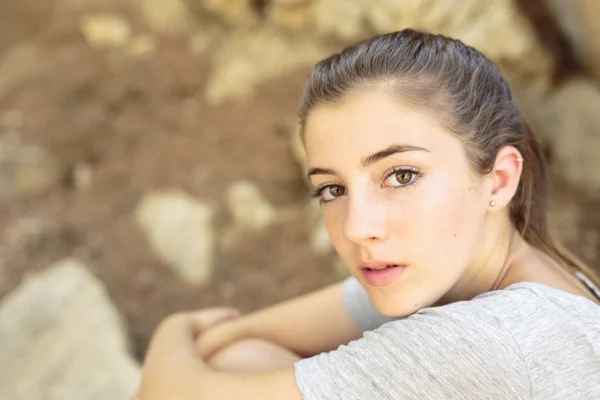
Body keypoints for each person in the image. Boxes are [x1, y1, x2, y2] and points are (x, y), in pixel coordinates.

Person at [136, 29, 600, 399]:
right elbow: (233, 339)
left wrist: (172, 330)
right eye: (332, 189)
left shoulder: (489, 340)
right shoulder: (500, 276)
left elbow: (174, 393)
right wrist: (206, 342)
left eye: (400, 176)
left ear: (498, 181)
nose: (358, 228)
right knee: (241, 357)